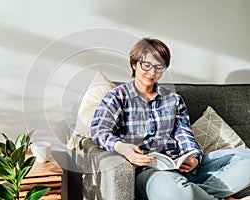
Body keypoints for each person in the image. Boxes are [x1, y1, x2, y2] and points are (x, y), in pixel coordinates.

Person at [90, 37, 250, 200]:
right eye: (147, 65)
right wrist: (122, 148)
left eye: (159, 67)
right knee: (171, 189)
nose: (152, 73)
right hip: (150, 172)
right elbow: (99, 131)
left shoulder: (174, 100)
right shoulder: (117, 97)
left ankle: (194, 192)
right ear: (134, 63)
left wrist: (193, 158)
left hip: (182, 166)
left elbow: (185, 136)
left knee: (247, 158)